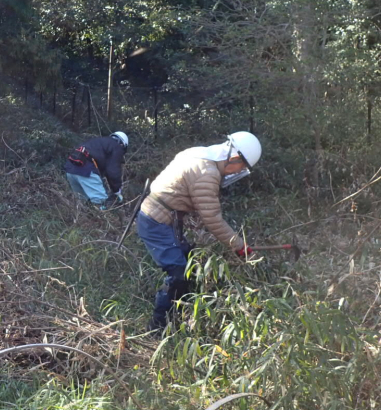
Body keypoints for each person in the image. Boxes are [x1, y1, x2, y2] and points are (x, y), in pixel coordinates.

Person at [137, 131, 262, 333]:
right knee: (179, 272)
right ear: (234, 158)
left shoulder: (201, 154)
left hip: (164, 218)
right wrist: (240, 247)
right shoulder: (207, 172)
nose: (237, 172)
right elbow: (212, 219)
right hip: (155, 222)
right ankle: (158, 327)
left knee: (190, 264)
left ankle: (183, 316)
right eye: (241, 167)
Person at [63, 132, 128, 209]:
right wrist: (117, 191)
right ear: (122, 144)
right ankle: (102, 219)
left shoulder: (98, 142)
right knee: (100, 201)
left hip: (71, 169)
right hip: (86, 170)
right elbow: (113, 171)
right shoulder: (116, 147)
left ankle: (82, 219)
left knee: (82, 202)